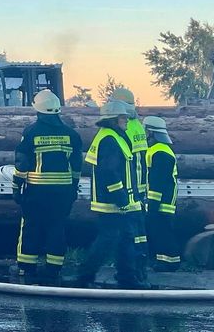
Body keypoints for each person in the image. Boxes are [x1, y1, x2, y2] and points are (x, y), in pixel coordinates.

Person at [12, 89, 83, 284]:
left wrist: (16, 187)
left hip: (37, 190)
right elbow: (77, 164)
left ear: (38, 110)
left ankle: (26, 268)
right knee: (57, 228)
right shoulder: (72, 135)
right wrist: (74, 186)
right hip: (63, 192)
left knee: (31, 228)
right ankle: (54, 269)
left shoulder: (31, 133)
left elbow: (22, 163)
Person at [76, 99, 147, 289]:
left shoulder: (112, 136)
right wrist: (120, 197)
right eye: (123, 117)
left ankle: (127, 277)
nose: (126, 120)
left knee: (124, 237)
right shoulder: (109, 139)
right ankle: (85, 276)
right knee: (108, 239)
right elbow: (109, 171)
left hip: (118, 200)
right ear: (114, 119)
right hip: (111, 202)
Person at [110, 86, 149, 282]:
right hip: (140, 188)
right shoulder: (138, 125)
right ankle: (141, 271)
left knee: (128, 235)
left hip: (129, 189)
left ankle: (129, 273)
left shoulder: (123, 127)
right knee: (139, 233)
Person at [144, 116, 181, 271]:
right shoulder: (157, 150)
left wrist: (152, 204)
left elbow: (158, 181)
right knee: (158, 230)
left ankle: (171, 262)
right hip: (159, 199)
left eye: (145, 130)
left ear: (151, 132)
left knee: (163, 231)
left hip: (162, 200)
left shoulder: (161, 152)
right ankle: (162, 260)